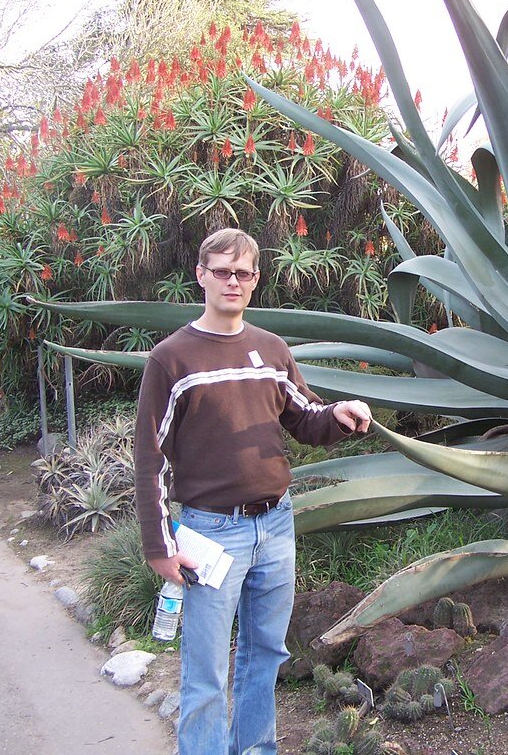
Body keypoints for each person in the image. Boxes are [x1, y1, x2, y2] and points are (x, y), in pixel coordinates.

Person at [134, 228, 371, 755]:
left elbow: (304, 415)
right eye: (222, 271)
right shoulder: (171, 360)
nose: (232, 282)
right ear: (201, 276)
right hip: (210, 532)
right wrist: (158, 545)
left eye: (243, 273)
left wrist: (338, 414)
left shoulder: (270, 349)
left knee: (265, 654)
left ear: (256, 279)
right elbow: (149, 457)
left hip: (276, 525)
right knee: (206, 672)